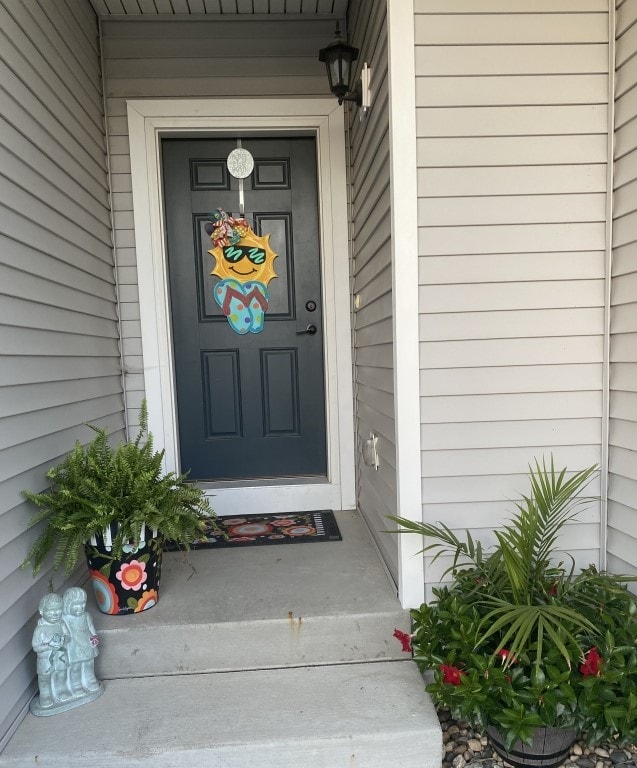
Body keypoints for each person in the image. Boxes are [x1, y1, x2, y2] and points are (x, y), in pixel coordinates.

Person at [32, 593, 71, 708]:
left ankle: (61, 690)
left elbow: (67, 636)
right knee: (45, 678)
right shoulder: (40, 629)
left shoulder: (61, 623)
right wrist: (49, 646)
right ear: (41, 611)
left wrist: (63, 640)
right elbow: (36, 647)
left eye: (58, 610)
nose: (55, 614)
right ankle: (45, 694)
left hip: (60, 656)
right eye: (50, 611)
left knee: (61, 674)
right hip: (45, 660)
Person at [62, 587, 101, 695]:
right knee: (75, 667)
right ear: (68, 604)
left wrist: (94, 637)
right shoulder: (65, 618)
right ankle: (76, 685)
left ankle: (90, 680)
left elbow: (90, 628)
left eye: (83, 603)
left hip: (87, 642)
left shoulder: (86, 615)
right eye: (76, 604)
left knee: (89, 663)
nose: (80, 607)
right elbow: (65, 633)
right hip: (74, 645)